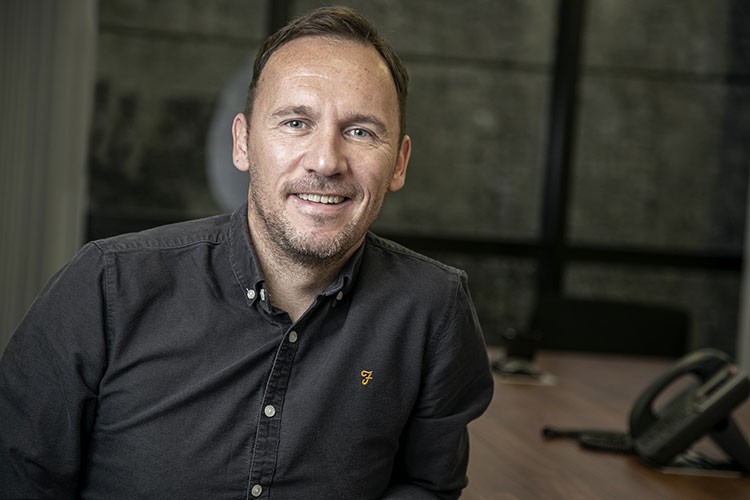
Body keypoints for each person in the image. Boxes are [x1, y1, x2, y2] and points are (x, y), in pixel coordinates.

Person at [0, 6, 493, 499]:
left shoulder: (433, 309)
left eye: (360, 131)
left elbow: (427, 486)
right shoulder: (106, 287)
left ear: (399, 163)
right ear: (242, 143)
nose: (326, 161)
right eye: (296, 122)